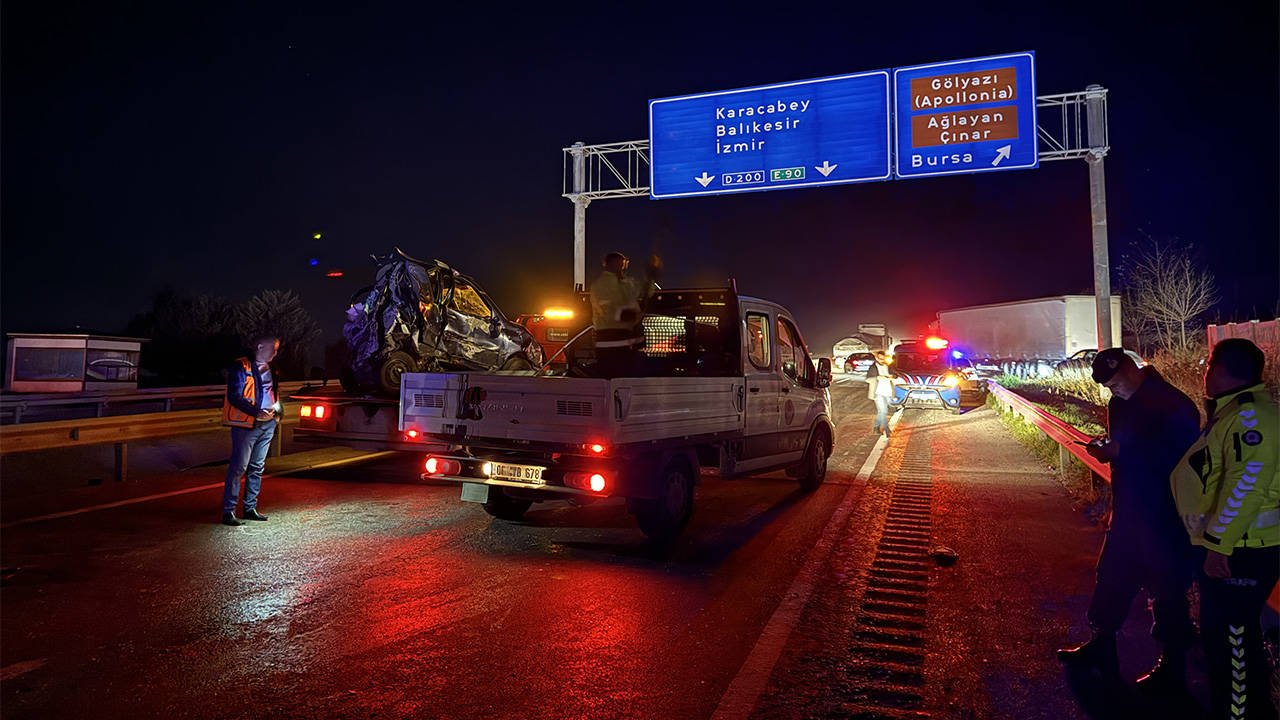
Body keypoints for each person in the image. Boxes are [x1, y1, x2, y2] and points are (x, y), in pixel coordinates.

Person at [1057, 348, 1201, 694]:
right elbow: (1123, 450)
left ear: (1132, 369)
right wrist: (1109, 452)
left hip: (1166, 515)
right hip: (1129, 511)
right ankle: (1101, 649)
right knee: (1110, 578)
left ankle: (1173, 670)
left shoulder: (1173, 403)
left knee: (1167, 589)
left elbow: (1182, 458)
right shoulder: (1119, 404)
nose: (1112, 390)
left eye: (1116, 381)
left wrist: (1122, 453)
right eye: (1107, 386)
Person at [1171, 339, 1278, 720]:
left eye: (1207, 364)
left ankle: (1237, 716)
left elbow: (1247, 485)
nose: (1204, 371)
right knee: (1227, 643)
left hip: (1239, 553)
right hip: (1235, 548)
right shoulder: (1234, 414)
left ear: (1219, 370)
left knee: (1233, 648)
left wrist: (1219, 546)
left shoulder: (1249, 420)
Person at [220, 334, 281, 526]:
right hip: (247, 425)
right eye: (274, 348)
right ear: (261, 346)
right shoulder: (241, 367)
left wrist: (277, 415)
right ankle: (229, 511)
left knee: (256, 467)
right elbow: (234, 396)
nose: (275, 352)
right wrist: (256, 413)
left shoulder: (273, 370)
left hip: (267, 423)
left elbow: (273, 393)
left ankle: (249, 508)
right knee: (239, 467)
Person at [589, 250, 660, 378]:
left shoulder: (626, 282)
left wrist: (651, 276)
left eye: (624, 263)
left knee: (621, 381)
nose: (622, 266)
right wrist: (635, 315)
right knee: (616, 379)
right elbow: (613, 310)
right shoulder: (603, 285)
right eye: (620, 263)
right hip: (613, 343)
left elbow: (644, 293)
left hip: (625, 343)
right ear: (608, 264)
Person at [866, 351, 894, 438]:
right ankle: (886, 429)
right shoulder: (873, 367)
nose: (882, 360)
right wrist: (877, 377)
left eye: (883, 358)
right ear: (877, 358)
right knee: (883, 411)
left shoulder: (887, 366)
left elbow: (893, 375)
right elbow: (867, 379)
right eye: (880, 358)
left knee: (881, 412)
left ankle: (876, 427)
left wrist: (891, 376)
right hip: (878, 392)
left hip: (888, 391)